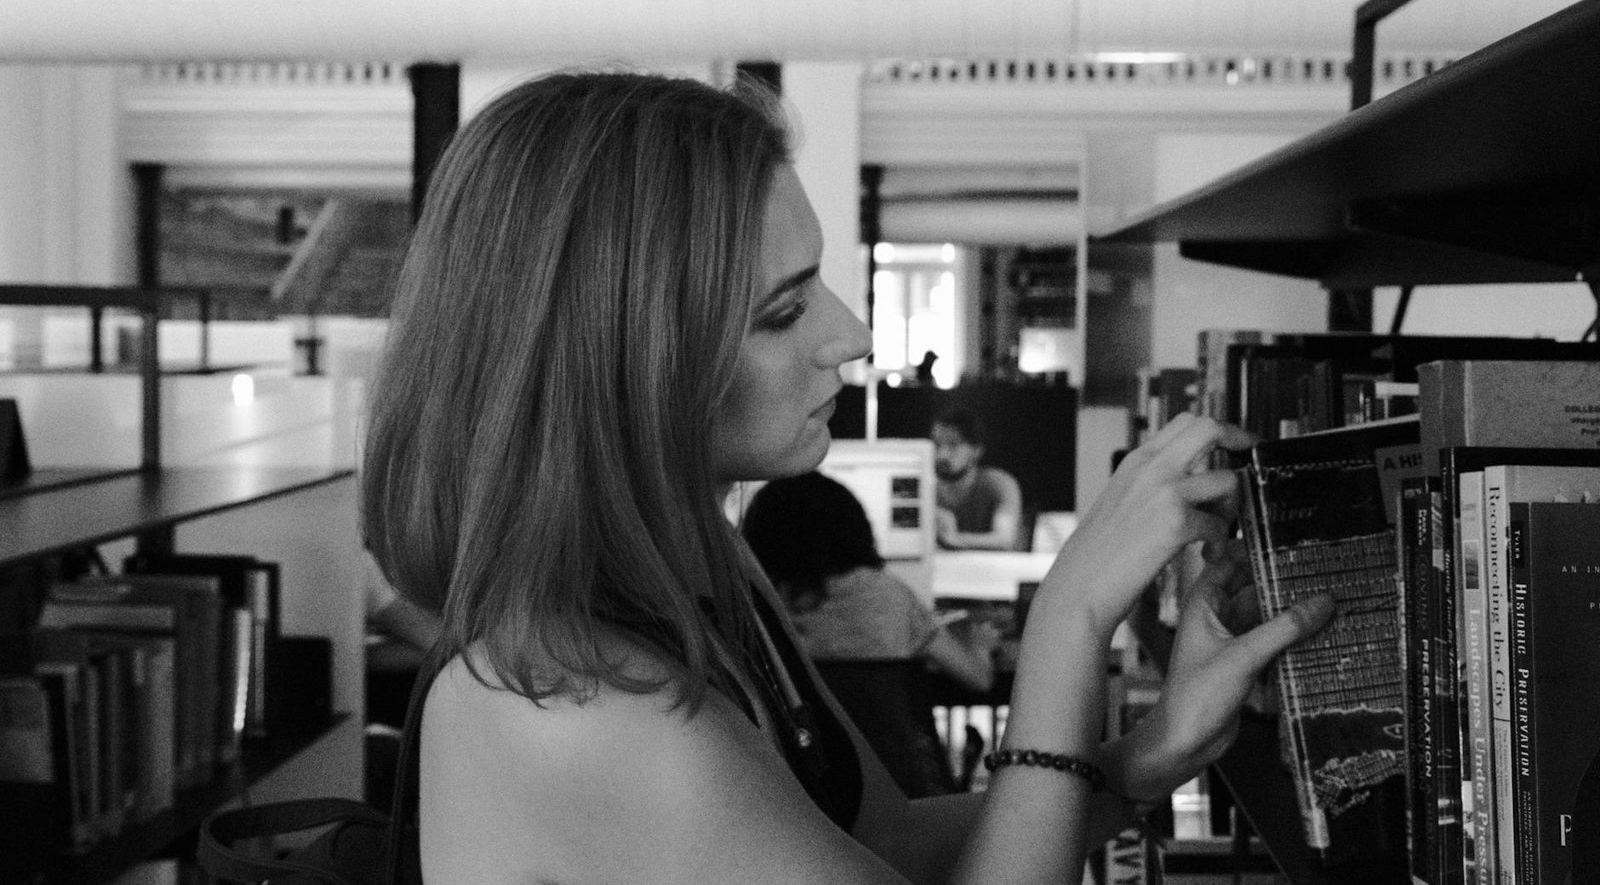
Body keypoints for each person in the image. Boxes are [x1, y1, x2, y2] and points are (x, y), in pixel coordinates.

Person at [361, 69, 1335, 885]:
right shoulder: (571, 705)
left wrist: (1142, 758)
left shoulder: (705, 565)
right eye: (783, 312)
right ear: (629, 364)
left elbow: (882, 843)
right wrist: (1070, 616)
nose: (853, 336)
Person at [743, 470, 997, 693]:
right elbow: (979, 680)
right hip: (887, 748)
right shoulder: (890, 595)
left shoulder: (755, 604)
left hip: (793, 748)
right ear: (853, 525)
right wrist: (980, 646)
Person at [930, 408, 1026, 550]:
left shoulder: (1000, 484)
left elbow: (1004, 539)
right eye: (936, 445)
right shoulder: (923, 487)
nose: (942, 454)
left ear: (976, 450)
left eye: (953, 445)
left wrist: (954, 538)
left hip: (993, 569)